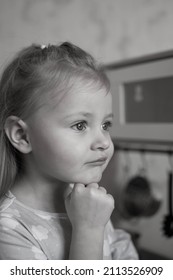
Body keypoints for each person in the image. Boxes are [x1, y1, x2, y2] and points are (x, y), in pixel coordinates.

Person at [0, 42, 138, 260]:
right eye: (80, 125)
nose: (104, 142)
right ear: (22, 136)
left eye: (106, 125)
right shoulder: (8, 231)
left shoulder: (87, 202)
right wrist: (89, 230)